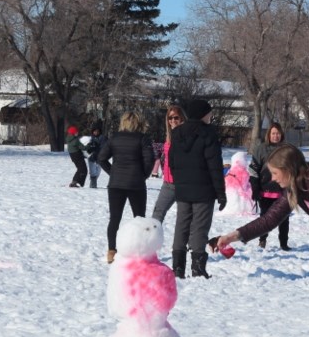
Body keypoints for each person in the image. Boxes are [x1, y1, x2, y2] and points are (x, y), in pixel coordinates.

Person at [213, 144, 309, 337]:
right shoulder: (295, 187)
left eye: (276, 173)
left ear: (288, 169)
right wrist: (233, 236)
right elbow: (269, 219)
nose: (273, 178)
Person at [169, 99, 226, 279]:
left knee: (181, 226)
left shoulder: (177, 133)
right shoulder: (208, 133)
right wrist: (221, 193)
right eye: (209, 113)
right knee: (200, 227)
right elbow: (215, 166)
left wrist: (180, 181)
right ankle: (198, 267)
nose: (211, 116)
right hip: (203, 190)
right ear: (203, 114)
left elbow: (171, 162)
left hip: (183, 189)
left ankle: (177, 267)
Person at [97, 112, 155, 264]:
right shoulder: (143, 138)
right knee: (140, 218)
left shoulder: (114, 138)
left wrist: (113, 172)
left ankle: (111, 251)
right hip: (136, 184)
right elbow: (150, 160)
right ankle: (140, 251)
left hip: (116, 184)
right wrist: (143, 175)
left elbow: (101, 158)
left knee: (114, 219)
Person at [249, 122, 289, 249]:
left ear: (281, 134)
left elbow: (294, 168)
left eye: (277, 133)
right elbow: (253, 169)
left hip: (283, 190)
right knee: (265, 218)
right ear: (269, 134)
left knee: (284, 218)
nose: (275, 136)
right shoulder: (261, 149)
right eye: (273, 133)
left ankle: (283, 243)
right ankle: (262, 240)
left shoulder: (287, 149)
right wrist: (255, 186)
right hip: (265, 189)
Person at [150, 105, 186, 223]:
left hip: (183, 184)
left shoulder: (186, 135)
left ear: (182, 118)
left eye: (176, 117)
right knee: (157, 214)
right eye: (170, 118)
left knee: (184, 219)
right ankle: (153, 240)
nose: (173, 121)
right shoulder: (169, 136)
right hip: (168, 184)